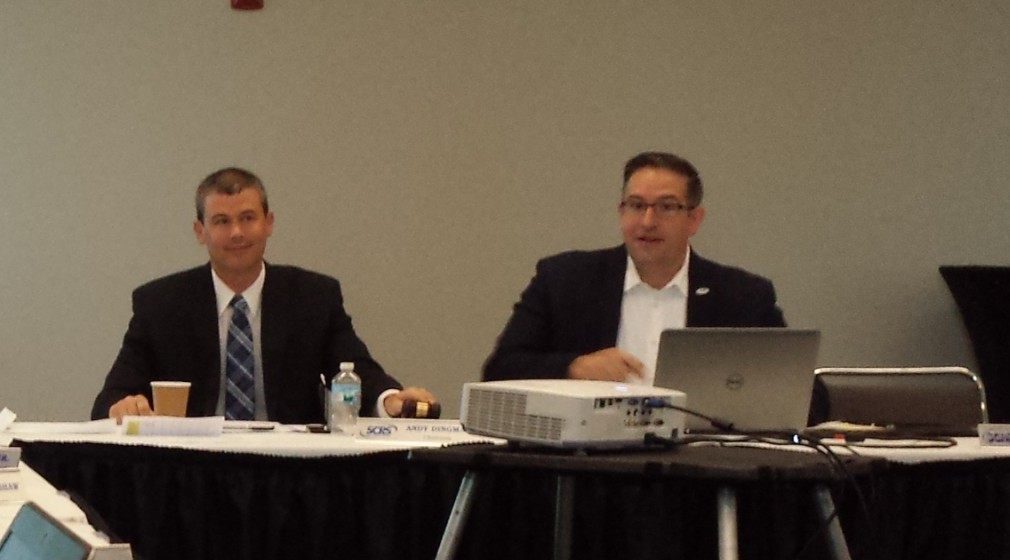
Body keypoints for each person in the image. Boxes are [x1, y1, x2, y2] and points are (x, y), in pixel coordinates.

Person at [93, 167, 436, 424]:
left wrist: (390, 401)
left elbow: (355, 371)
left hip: (290, 474)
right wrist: (121, 406)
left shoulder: (313, 297)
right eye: (222, 221)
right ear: (201, 231)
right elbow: (110, 397)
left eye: (248, 218)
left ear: (268, 223)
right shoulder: (161, 304)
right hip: (194, 472)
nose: (237, 233)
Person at [482, 151, 785, 384]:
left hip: (702, 458)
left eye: (666, 207)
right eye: (637, 205)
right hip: (589, 460)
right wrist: (574, 367)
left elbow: (806, 395)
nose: (647, 222)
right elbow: (500, 370)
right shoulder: (565, 280)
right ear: (621, 212)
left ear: (693, 219)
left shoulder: (743, 296)